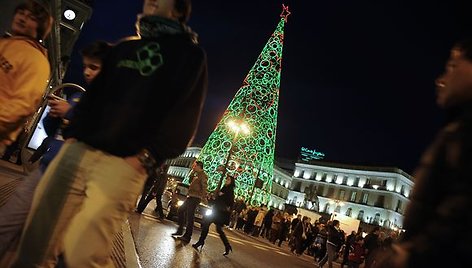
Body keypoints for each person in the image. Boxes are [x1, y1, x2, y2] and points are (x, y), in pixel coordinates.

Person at [11, 0, 208, 266]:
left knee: (82, 252)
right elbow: (94, 98)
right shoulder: (125, 48)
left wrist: (146, 158)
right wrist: (73, 137)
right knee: (36, 239)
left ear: (178, 9)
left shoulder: (189, 55)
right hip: (77, 152)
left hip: (123, 164)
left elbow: (184, 116)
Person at [0, 40, 111, 264]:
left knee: (43, 245)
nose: (87, 72)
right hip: (46, 169)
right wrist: (53, 118)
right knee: (8, 223)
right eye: (85, 66)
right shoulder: (80, 97)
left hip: (69, 180)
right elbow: (57, 134)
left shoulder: (109, 105)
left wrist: (70, 113)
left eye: (94, 67)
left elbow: (98, 135)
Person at [377, 38, 472, 268]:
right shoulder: (456, 130)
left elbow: (459, 212)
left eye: (453, 66)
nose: (441, 79)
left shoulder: (464, 135)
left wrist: (410, 256)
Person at [0, 0, 52, 155]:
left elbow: (23, 104)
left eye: (31, 18)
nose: (22, 18)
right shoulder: (4, 43)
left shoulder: (36, 60)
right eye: (21, 13)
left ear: (40, 28)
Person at [192, 175, 235, 255]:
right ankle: (201, 241)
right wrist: (210, 199)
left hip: (221, 214)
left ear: (231, 182)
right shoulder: (224, 188)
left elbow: (230, 202)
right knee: (207, 224)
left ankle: (227, 246)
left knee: (216, 228)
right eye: (226, 178)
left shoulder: (230, 191)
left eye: (228, 179)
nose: (226, 180)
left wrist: (223, 195)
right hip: (216, 211)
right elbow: (218, 201)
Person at [172, 160, 208, 243]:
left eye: (195, 166)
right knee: (181, 210)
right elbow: (189, 181)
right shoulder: (196, 174)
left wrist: (202, 197)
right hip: (191, 196)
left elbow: (204, 187)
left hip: (196, 197)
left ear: (199, 166)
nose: (193, 167)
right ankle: (180, 230)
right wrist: (192, 173)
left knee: (190, 216)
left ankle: (187, 236)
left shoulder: (203, 175)